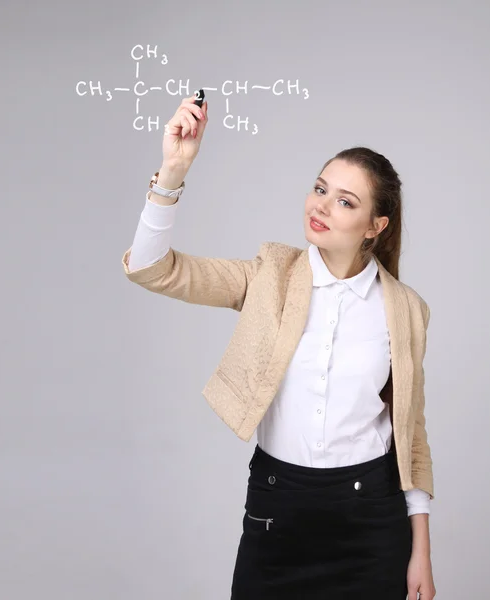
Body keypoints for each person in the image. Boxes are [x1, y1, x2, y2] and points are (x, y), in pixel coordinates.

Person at [121, 95, 437, 599]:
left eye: (345, 201)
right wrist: (171, 173)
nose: (321, 205)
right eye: (320, 188)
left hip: (372, 524)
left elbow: (411, 437)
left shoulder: (406, 310)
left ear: (376, 227)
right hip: (277, 508)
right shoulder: (269, 274)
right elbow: (152, 268)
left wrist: (420, 551)